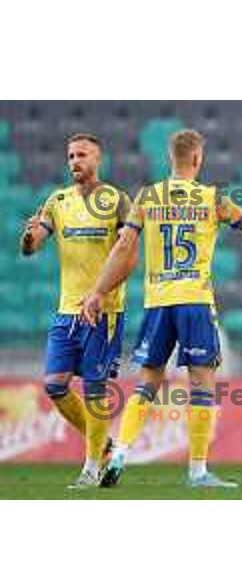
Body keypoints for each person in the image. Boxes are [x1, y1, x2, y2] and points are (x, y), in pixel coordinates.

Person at [81, 129, 242, 488]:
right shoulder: (211, 198)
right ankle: (198, 471)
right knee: (202, 385)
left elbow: (123, 247)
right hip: (194, 301)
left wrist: (97, 291)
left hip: (158, 302)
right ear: (198, 159)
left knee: (147, 385)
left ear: (169, 159)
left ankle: (121, 453)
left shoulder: (147, 196)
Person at [19, 133, 131, 488]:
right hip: (67, 309)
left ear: (97, 159)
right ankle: (105, 445)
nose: (74, 161)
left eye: (81, 155)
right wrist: (28, 238)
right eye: (70, 156)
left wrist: (101, 292)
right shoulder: (57, 200)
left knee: (96, 389)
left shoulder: (116, 201)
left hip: (103, 310)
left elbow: (129, 256)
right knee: (55, 386)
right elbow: (32, 246)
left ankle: (91, 467)